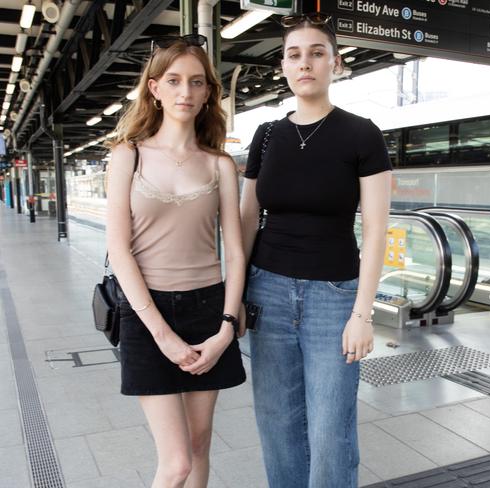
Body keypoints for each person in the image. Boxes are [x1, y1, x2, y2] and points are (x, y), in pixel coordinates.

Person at [240, 13, 391, 488]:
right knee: (278, 423)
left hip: (334, 295)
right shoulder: (266, 136)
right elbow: (247, 219)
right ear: (284, 67)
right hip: (267, 292)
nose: (305, 63)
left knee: (330, 430)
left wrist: (362, 314)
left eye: (317, 53)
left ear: (336, 64)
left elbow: (377, 231)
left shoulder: (362, 134)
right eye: (294, 54)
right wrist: (236, 298)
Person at [106, 35, 246, 488]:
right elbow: (120, 249)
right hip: (147, 315)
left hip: (208, 309)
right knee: (176, 464)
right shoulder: (128, 155)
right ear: (154, 89)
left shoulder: (220, 165)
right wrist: (162, 335)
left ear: (208, 92)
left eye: (196, 82)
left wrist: (227, 327)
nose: (185, 91)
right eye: (174, 80)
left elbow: (236, 251)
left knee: (200, 445)